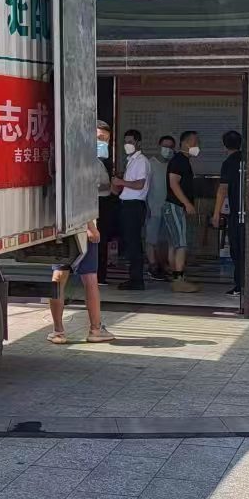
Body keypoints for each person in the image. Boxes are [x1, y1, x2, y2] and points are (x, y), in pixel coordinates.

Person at [48, 137, 115, 344]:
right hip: (82, 228)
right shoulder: (84, 166)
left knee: (59, 277)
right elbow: (82, 199)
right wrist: (91, 228)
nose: (102, 143)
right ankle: (95, 329)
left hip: (61, 228)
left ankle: (58, 331)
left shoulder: (59, 163)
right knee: (89, 278)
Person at [112, 128, 151, 290]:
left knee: (133, 242)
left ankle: (136, 279)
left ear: (138, 143)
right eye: (126, 142)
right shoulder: (131, 161)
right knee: (130, 242)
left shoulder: (141, 161)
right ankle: (133, 277)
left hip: (134, 206)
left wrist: (121, 182)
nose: (127, 145)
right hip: (127, 205)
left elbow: (140, 184)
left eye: (130, 142)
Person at [164, 130, 201, 293]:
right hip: (175, 206)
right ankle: (178, 279)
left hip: (175, 206)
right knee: (181, 244)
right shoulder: (179, 161)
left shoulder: (183, 161)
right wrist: (187, 203)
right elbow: (174, 183)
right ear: (185, 143)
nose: (197, 145)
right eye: (194, 142)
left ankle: (177, 277)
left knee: (175, 243)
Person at [212, 129, 244, 296]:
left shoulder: (228, 163)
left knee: (236, 249)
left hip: (236, 213)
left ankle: (240, 285)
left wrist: (216, 213)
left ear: (224, 146)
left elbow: (223, 190)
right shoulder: (247, 160)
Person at [146, 135, 175, 280]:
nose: (167, 149)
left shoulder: (173, 165)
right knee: (151, 239)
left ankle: (163, 265)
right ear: (159, 146)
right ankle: (153, 266)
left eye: (170, 147)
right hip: (153, 208)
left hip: (169, 209)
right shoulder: (150, 164)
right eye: (165, 146)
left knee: (165, 241)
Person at [96, 120, 117, 284]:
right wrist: (110, 185)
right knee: (97, 241)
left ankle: (100, 275)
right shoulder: (84, 160)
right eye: (99, 138)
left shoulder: (100, 162)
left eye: (106, 139)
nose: (103, 143)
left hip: (104, 204)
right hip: (93, 205)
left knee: (102, 241)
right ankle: (97, 275)